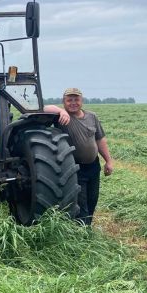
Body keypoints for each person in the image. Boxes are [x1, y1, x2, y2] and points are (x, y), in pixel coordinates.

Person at [44, 88, 114, 225]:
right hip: (75, 169)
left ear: (82, 100)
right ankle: (83, 233)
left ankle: (86, 229)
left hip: (94, 166)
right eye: (69, 100)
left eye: (76, 99)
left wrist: (108, 161)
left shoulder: (92, 116)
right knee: (81, 205)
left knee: (92, 200)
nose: (73, 103)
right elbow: (45, 108)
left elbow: (100, 140)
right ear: (63, 102)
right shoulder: (61, 118)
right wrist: (61, 111)